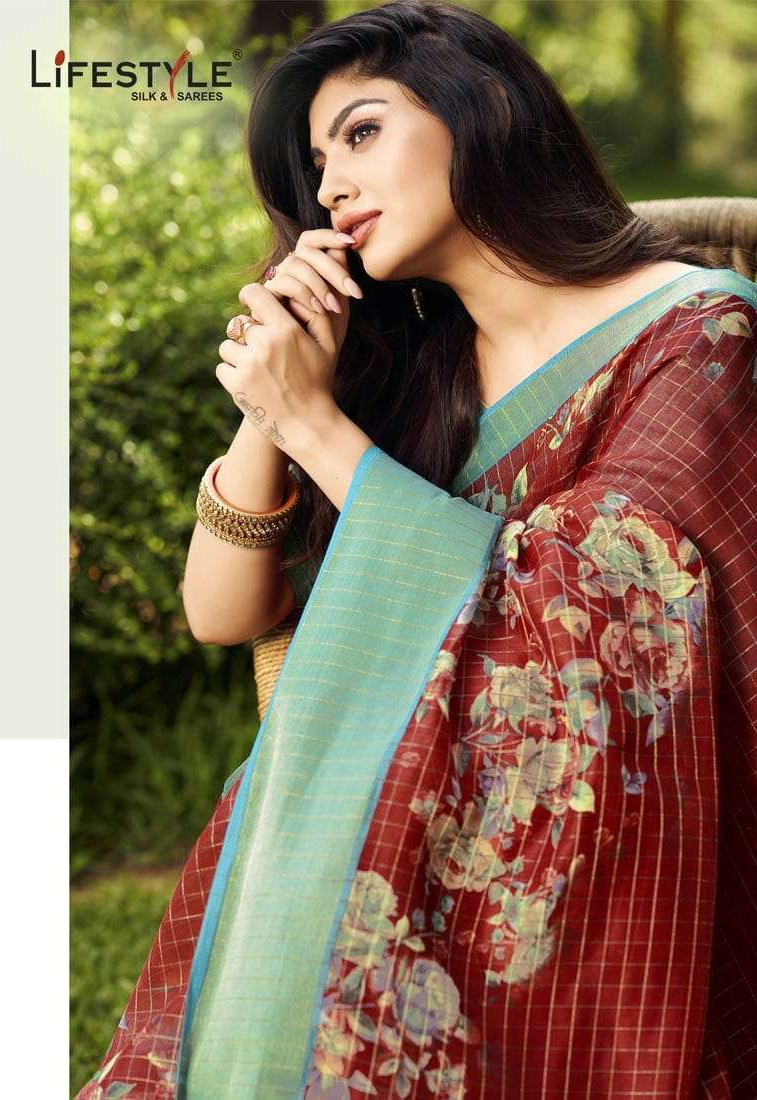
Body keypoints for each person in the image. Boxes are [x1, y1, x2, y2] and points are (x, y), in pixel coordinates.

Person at [75, 2, 757, 1097]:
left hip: (602, 832)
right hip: (378, 785)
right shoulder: (417, 373)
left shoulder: (699, 330)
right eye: (316, 166)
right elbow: (221, 612)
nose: (332, 187)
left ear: (481, 107)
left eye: (360, 133)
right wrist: (273, 399)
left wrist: (313, 426)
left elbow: (603, 621)